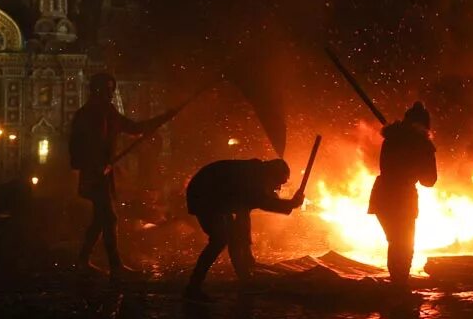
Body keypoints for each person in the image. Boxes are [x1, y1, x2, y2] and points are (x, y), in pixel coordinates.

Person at [69, 72, 175, 282]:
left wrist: (162, 118)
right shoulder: (85, 115)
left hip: (103, 174)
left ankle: (83, 261)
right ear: (96, 90)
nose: (109, 94)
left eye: (111, 89)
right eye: (106, 89)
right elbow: (76, 147)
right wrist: (92, 165)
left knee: (100, 219)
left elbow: (134, 128)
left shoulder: (109, 113)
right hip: (93, 174)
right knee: (109, 218)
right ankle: (115, 267)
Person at [184, 157, 304, 302]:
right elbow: (264, 202)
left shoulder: (256, 175)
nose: (277, 188)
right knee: (220, 239)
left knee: (232, 235)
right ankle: (193, 287)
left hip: (219, 198)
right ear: (272, 175)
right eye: (278, 183)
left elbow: (243, 220)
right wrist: (291, 204)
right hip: (205, 196)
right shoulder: (254, 178)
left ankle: (244, 279)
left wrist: (247, 254)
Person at [367, 101, 437, 295]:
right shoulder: (422, 145)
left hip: (382, 195)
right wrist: (425, 154)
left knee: (396, 243)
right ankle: (399, 287)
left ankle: (397, 284)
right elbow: (429, 180)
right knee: (404, 245)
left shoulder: (391, 138)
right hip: (403, 198)